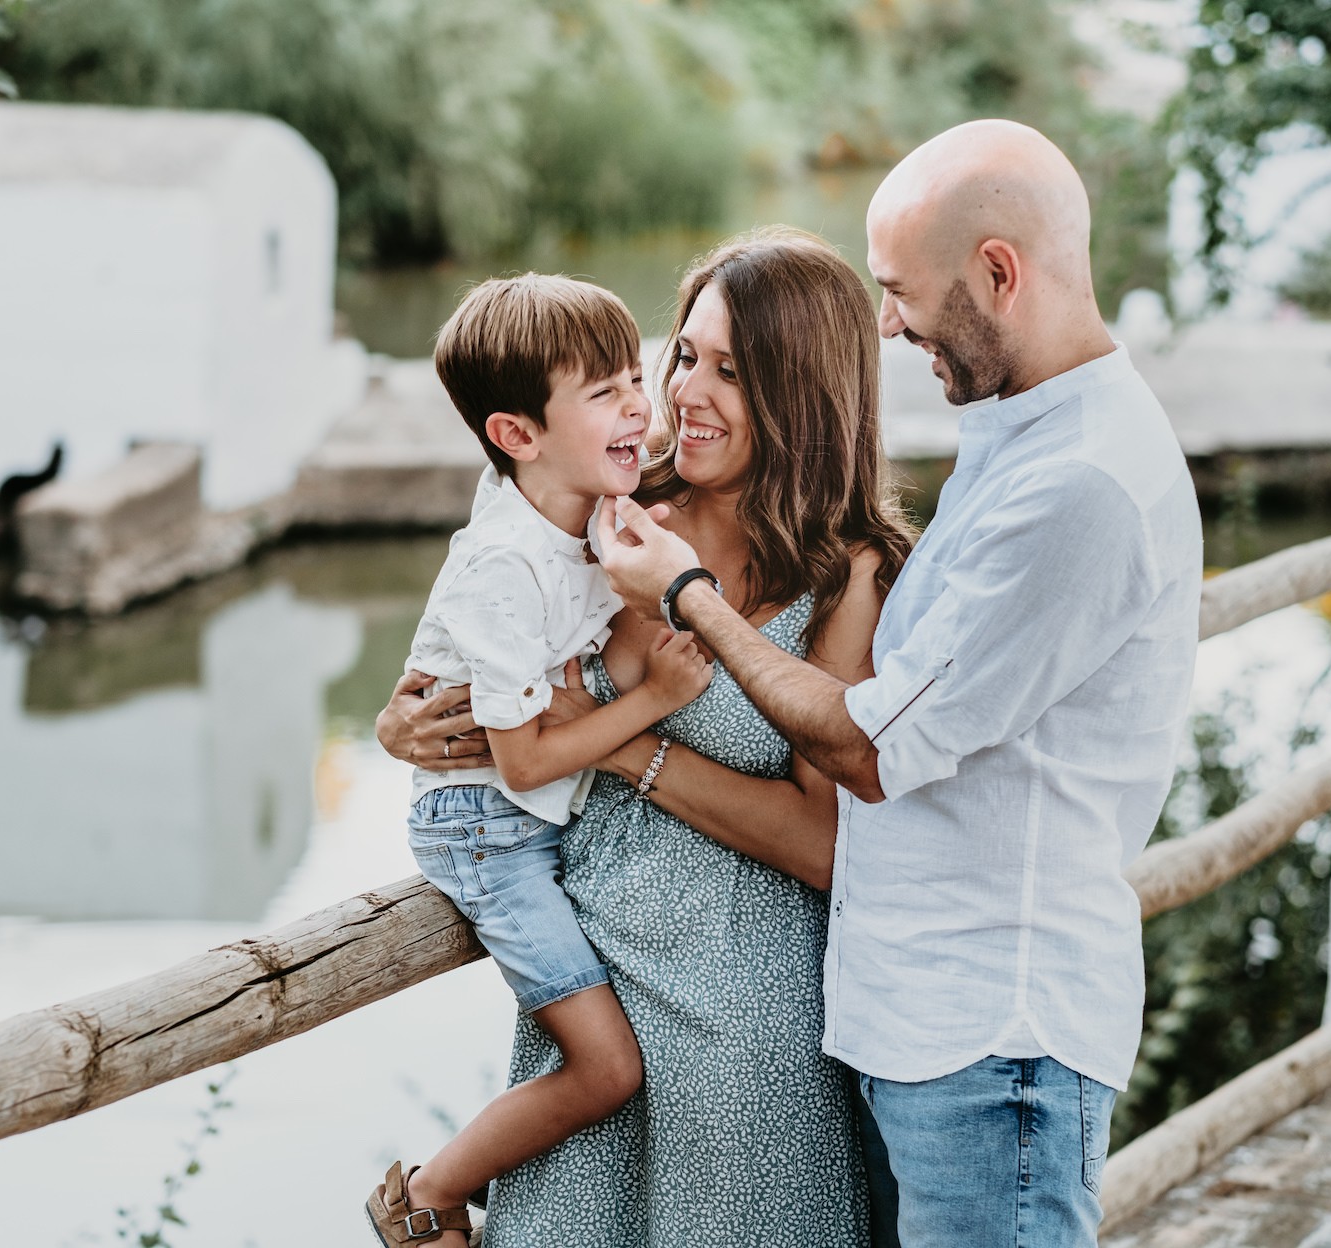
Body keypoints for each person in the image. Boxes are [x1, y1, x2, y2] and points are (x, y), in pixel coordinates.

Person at [596, 120, 1204, 1248]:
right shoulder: (1019, 436)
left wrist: (690, 601)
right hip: (917, 1026)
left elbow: (870, 749)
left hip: (992, 1045)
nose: (885, 322)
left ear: (997, 274)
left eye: (898, 290)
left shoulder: (1081, 483)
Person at [379, 228, 917, 1247]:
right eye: (686, 355)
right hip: (590, 982)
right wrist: (401, 722)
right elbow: (479, 645)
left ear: (805, 393)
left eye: (733, 372)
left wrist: (627, 747)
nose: (688, 393)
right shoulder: (606, 499)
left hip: (748, 1020)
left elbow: (828, 841)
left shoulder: (851, 574)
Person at [366, 274, 716, 1248]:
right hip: (489, 832)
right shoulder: (506, 568)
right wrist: (655, 699)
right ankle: (424, 1200)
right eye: (605, 392)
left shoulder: (585, 502)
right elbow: (521, 765)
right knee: (606, 1069)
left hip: (538, 815)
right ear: (518, 435)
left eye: (635, 377)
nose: (641, 407)